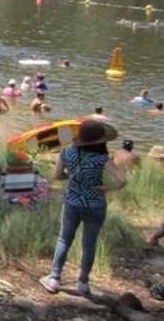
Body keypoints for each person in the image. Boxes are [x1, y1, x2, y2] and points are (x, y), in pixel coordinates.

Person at [40, 121, 126, 296]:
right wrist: (107, 189)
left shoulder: (67, 152)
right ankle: (83, 283)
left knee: (64, 239)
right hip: (95, 205)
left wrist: (69, 176)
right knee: (89, 244)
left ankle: (54, 279)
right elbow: (122, 180)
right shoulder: (102, 158)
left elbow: (56, 176)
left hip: (72, 202)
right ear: (100, 141)